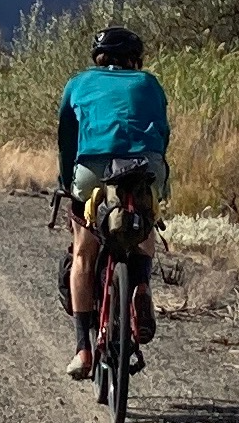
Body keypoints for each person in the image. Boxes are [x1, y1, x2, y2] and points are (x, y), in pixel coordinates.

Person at [54, 24, 169, 379]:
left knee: (84, 252)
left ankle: (83, 350)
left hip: (93, 167)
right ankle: (142, 284)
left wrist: (66, 179)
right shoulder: (149, 83)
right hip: (144, 164)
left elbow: (66, 139)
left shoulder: (78, 83)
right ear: (135, 59)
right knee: (144, 216)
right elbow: (162, 134)